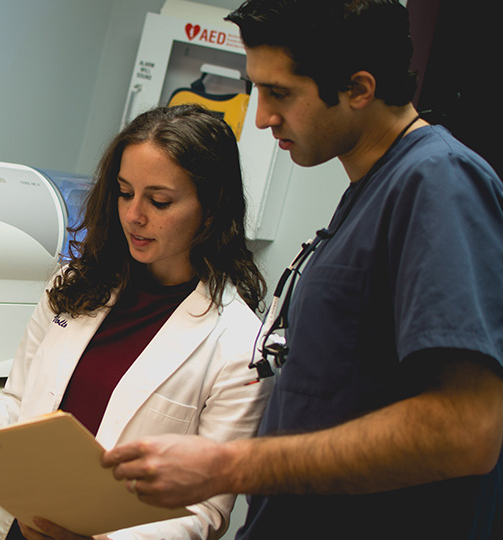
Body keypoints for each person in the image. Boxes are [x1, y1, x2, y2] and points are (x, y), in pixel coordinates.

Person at [102, 1, 503, 539]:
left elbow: (467, 429)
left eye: (280, 93)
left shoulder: (437, 184)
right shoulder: (369, 192)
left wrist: (227, 466)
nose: (263, 115)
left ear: (360, 89)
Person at [0, 105, 272, 540]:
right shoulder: (76, 284)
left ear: (211, 207)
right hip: (15, 527)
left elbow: (205, 511)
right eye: (125, 193)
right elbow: (22, 406)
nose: (134, 215)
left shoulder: (239, 345)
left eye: (159, 201)